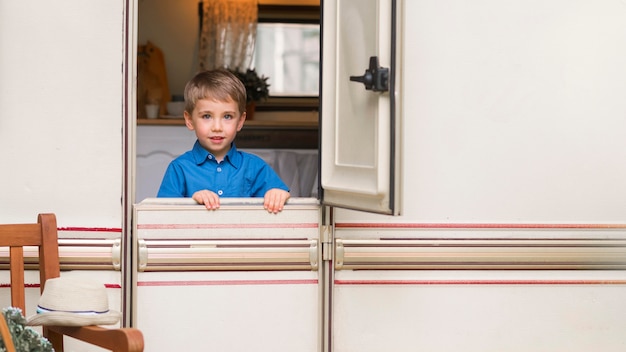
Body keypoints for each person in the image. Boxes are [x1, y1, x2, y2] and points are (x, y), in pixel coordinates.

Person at [157, 69, 290, 213]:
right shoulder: (179, 169)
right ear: (189, 120)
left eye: (227, 116)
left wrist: (277, 195)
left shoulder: (255, 167)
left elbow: (284, 198)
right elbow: (163, 216)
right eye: (207, 116)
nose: (217, 127)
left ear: (240, 121)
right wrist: (191, 203)